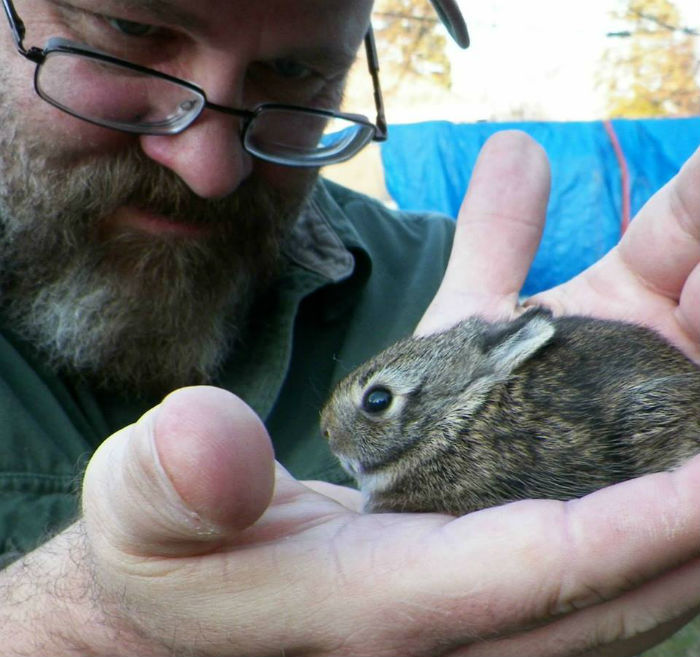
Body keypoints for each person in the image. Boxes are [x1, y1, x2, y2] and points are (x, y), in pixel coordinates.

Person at [0, 0, 699, 655]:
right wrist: (79, 628)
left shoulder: (437, 277)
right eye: (130, 31)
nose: (210, 168)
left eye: (296, 72)